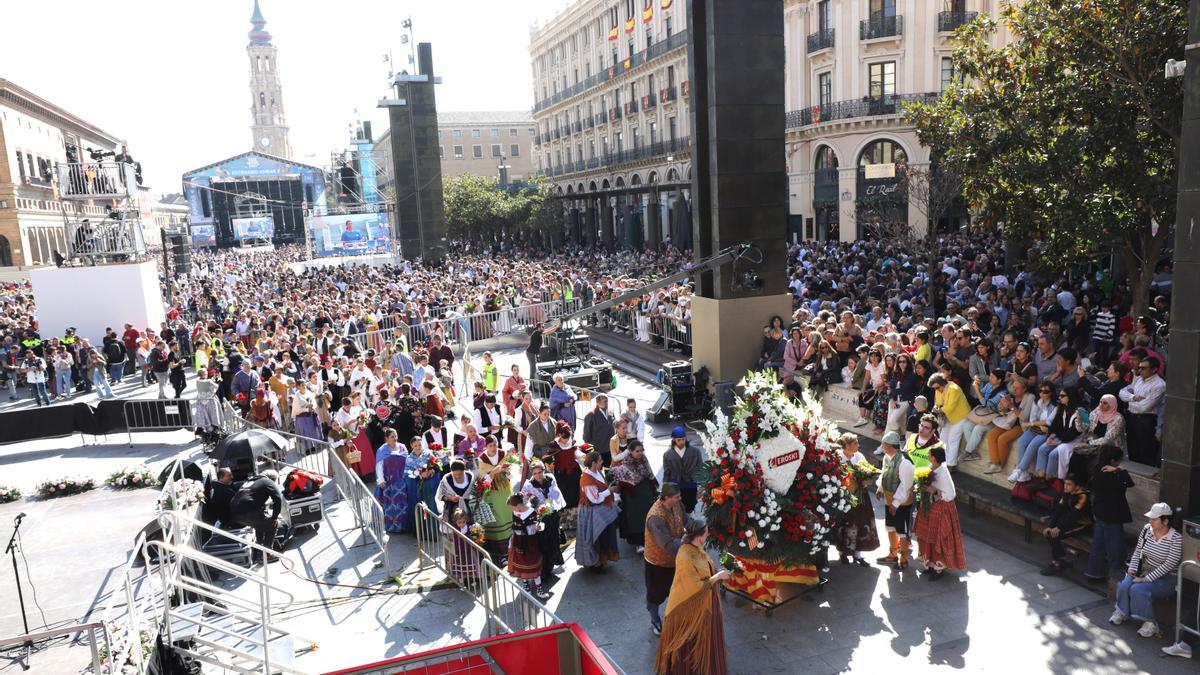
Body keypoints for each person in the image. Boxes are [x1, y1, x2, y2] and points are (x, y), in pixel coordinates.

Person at [654, 518, 730, 675]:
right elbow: (695, 587)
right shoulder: (685, 556)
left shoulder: (696, 548)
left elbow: (706, 568)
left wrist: (719, 571)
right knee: (689, 644)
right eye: (706, 533)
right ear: (700, 536)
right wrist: (718, 577)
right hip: (690, 609)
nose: (708, 535)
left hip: (708, 602)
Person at [1110, 502, 1183, 639]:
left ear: (1165, 521)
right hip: (1143, 570)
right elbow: (1138, 551)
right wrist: (1132, 571)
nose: (1150, 521)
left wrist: (1145, 579)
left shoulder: (1176, 538)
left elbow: (1169, 564)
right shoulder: (1146, 529)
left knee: (1138, 589)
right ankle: (1122, 611)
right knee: (1125, 584)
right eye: (1150, 518)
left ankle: (1151, 623)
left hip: (1167, 578)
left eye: (1154, 519)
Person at [913, 447, 966, 579]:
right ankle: (930, 564)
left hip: (942, 509)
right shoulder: (931, 468)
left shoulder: (943, 474)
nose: (928, 456)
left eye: (929, 454)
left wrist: (935, 491)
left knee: (938, 538)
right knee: (927, 535)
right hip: (930, 507)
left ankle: (938, 568)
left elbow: (950, 494)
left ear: (934, 458)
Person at [1085, 445, 1136, 583]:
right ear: (1113, 461)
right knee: (1115, 546)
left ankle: (1093, 573)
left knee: (1099, 544)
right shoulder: (1112, 475)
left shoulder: (1096, 470)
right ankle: (1116, 574)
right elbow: (1129, 483)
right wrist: (1118, 471)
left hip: (1100, 512)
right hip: (1112, 514)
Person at [644, 483, 687, 636]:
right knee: (656, 594)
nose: (680, 499)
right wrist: (687, 543)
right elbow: (667, 543)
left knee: (677, 590)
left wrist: (697, 529)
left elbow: (685, 519)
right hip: (658, 563)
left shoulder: (677, 505)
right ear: (666, 497)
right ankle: (655, 620)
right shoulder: (655, 517)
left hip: (675, 558)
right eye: (676, 497)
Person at [834, 433, 879, 565]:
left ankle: (857, 554)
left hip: (860, 496)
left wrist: (867, 480)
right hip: (844, 495)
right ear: (847, 445)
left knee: (860, 522)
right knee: (845, 523)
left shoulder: (859, 456)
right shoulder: (838, 456)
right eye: (855, 443)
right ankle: (843, 552)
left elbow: (868, 471)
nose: (858, 445)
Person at [876, 431, 915, 571]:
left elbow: (906, 486)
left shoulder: (905, 463)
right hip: (889, 500)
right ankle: (892, 555)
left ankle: (903, 560)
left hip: (902, 503)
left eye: (884, 444)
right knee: (891, 527)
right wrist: (880, 489)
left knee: (902, 531)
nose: (882, 446)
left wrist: (895, 503)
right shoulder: (888, 457)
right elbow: (884, 474)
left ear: (890, 445)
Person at [520, 459, 566, 580]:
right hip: (540, 520)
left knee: (554, 542)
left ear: (543, 471)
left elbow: (556, 495)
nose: (537, 476)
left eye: (539, 472)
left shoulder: (550, 479)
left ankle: (549, 568)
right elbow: (525, 501)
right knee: (543, 545)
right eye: (534, 473)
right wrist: (534, 502)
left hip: (553, 516)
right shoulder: (528, 485)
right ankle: (544, 571)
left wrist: (548, 503)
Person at [575, 450, 620, 571]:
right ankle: (596, 564)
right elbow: (595, 499)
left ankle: (603, 560)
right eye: (600, 460)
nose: (602, 462)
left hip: (601, 510)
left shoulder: (597, 471)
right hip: (591, 512)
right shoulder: (586, 479)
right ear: (594, 463)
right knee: (595, 538)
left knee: (605, 536)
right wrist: (609, 491)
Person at [1039, 473, 1091, 576]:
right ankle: (1062, 560)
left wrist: (1059, 527)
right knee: (1050, 533)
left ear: (1077, 486)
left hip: (1082, 524)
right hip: (1068, 521)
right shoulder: (1067, 492)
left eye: (1069, 484)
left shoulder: (1083, 496)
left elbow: (1074, 515)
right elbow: (1059, 510)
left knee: (1054, 535)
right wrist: (1051, 526)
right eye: (1065, 483)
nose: (1065, 486)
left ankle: (1057, 563)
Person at [1118, 356, 1166, 466]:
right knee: (1132, 449)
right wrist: (1133, 398)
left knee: (1146, 451)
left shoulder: (1159, 385)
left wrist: (1129, 400)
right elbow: (1122, 392)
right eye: (1139, 367)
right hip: (1132, 418)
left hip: (1146, 420)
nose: (1139, 370)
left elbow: (1145, 407)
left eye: (1143, 368)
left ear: (1154, 369)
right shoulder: (1139, 379)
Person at [229, 469, 284, 560]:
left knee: (260, 524)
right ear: (273, 479)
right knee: (273, 524)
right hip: (249, 513)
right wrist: (274, 517)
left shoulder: (249, 481)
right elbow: (277, 498)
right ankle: (267, 554)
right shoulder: (267, 481)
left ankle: (260, 550)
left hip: (235, 515)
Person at [613, 440, 657, 552]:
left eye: (641, 450)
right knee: (635, 519)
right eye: (637, 451)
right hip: (632, 495)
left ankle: (649, 539)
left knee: (648, 515)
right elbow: (620, 481)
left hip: (646, 492)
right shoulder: (625, 465)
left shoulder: (644, 460)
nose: (640, 453)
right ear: (631, 452)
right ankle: (639, 543)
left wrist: (653, 489)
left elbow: (649, 473)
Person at [477, 436, 514, 563]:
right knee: (496, 519)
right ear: (486, 447)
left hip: (505, 491)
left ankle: (511, 549)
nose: (493, 448)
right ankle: (499, 553)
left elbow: (511, 475)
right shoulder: (481, 459)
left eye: (495, 445)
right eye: (490, 446)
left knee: (508, 516)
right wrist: (493, 473)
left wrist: (507, 471)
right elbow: (482, 482)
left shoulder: (503, 454)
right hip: (491, 493)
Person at [506, 493, 550, 599]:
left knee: (533, 564)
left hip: (531, 542)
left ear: (518, 505)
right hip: (518, 541)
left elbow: (539, 526)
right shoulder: (515, 512)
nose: (512, 510)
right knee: (521, 565)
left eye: (512, 507)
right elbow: (514, 529)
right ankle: (526, 586)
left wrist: (539, 527)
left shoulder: (533, 512)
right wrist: (511, 543)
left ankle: (539, 588)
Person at [375, 430, 412, 534]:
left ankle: (404, 526)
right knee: (391, 505)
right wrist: (381, 480)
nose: (395, 438)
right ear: (386, 438)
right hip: (389, 482)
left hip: (402, 480)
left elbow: (407, 461)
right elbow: (379, 466)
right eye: (392, 436)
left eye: (396, 436)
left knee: (404, 504)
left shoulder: (402, 447)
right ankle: (392, 527)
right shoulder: (382, 450)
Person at [929, 373, 969, 467]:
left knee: (952, 440)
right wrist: (936, 408)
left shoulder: (954, 389)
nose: (936, 390)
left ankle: (951, 465)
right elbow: (938, 403)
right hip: (947, 417)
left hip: (960, 417)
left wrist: (937, 411)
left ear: (942, 383)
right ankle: (943, 463)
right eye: (934, 388)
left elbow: (950, 407)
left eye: (937, 387)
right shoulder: (939, 389)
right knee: (943, 439)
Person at [663, 426, 702, 515]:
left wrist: (701, 486)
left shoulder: (696, 451)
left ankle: (690, 526)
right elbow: (667, 473)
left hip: (691, 485)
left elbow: (700, 469)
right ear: (673, 440)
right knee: (676, 510)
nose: (681, 442)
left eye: (683, 439)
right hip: (675, 487)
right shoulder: (667, 454)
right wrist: (665, 488)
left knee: (690, 509)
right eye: (679, 440)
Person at [582, 394, 616, 464]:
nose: (606, 403)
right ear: (597, 402)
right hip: (598, 449)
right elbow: (587, 434)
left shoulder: (611, 412)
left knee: (609, 468)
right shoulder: (590, 415)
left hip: (610, 447)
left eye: (606, 401)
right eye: (603, 401)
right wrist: (591, 448)